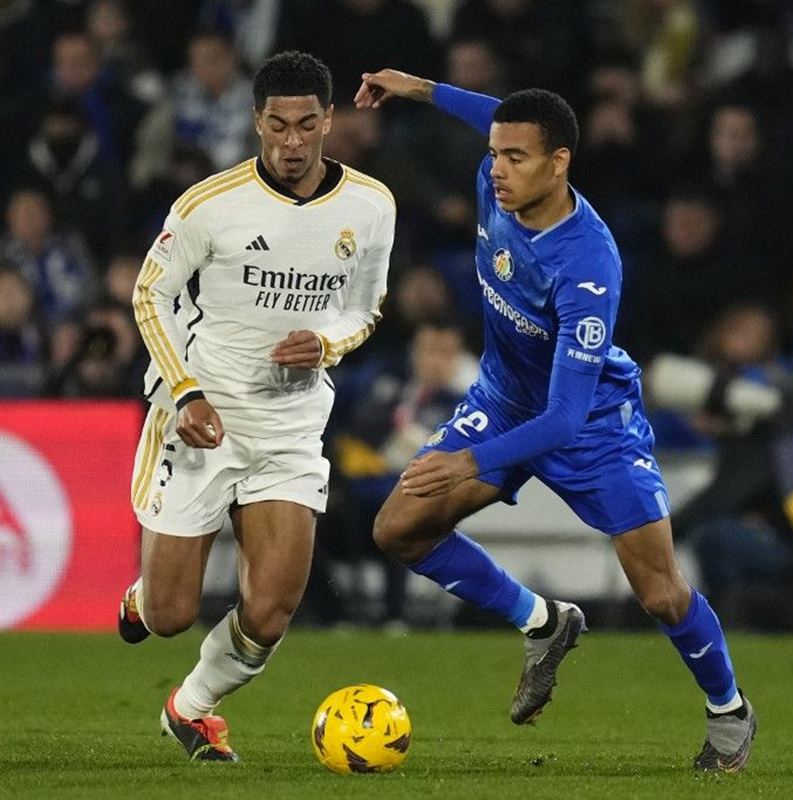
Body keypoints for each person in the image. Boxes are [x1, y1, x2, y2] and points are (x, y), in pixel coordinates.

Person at [355, 68, 757, 771]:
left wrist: (466, 462)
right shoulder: (498, 177)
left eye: (516, 158)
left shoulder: (587, 265)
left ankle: (729, 710)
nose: (498, 169)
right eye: (495, 154)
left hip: (592, 424)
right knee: (398, 528)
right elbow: (500, 116)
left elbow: (566, 418)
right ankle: (543, 621)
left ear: (559, 162)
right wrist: (417, 88)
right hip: (503, 400)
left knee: (661, 593)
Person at [116, 51, 395, 763]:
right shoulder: (209, 205)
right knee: (170, 615)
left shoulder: (371, 206)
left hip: (291, 425)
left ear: (329, 121)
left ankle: (190, 708)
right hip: (202, 417)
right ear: (256, 122)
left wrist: (327, 343)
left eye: (306, 124)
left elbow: (366, 308)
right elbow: (149, 294)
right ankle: (145, 597)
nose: (292, 141)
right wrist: (184, 392)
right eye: (277, 125)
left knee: (269, 613)